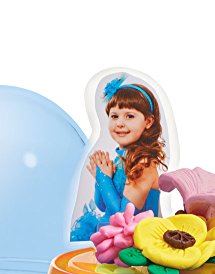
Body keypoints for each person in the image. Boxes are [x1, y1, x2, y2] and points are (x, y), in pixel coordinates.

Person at [71, 76, 167, 241]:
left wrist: (104, 178)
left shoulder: (143, 163)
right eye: (114, 116)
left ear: (148, 121)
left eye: (129, 116)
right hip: (113, 232)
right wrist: (100, 178)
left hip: (135, 240)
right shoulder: (120, 159)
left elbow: (123, 216)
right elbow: (102, 206)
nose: (120, 123)